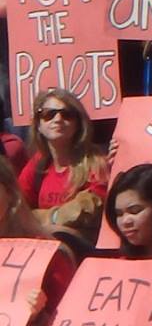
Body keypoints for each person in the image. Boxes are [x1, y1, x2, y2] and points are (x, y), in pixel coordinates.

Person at [19, 88, 108, 239]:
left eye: (67, 114)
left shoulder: (95, 161)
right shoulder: (38, 163)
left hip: (79, 248)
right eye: (49, 114)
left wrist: (43, 217)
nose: (58, 119)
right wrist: (57, 215)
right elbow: (17, 207)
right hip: (42, 248)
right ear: (38, 125)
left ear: (78, 124)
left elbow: (88, 209)